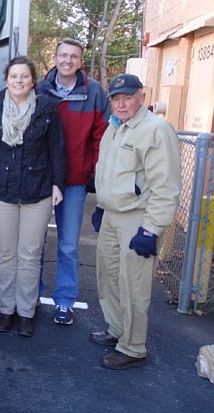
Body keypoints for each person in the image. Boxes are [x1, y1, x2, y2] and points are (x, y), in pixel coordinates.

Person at [90, 73, 180, 370]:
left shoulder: (156, 130)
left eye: (128, 97)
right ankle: (117, 329)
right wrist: (103, 205)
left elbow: (165, 187)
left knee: (134, 285)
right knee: (109, 276)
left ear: (141, 97)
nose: (121, 104)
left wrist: (150, 230)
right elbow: (109, 171)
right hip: (113, 215)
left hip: (138, 219)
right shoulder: (114, 128)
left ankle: (133, 346)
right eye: (116, 99)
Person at [0, 56, 66, 337]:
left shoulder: (47, 108)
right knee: (6, 254)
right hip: (1, 190)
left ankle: (26, 312)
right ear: (6, 79)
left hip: (37, 190)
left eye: (24, 76)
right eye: (14, 76)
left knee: (29, 255)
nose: (19, 81)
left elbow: (56, 148)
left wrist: (57, 185)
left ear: (33, 81)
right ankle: (6, 310)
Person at [37, 38, 109, 325]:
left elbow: (102, 137)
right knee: (36, 243)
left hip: (75, 181)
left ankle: (65, 301)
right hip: (41, 180)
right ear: (54, 57)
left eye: (74, 56)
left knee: (68, 244)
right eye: (63, 55)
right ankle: (32, 295)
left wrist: (91, 170)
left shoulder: (94, 93)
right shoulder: (40, 89)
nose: (67, 60)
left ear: (81, 61)